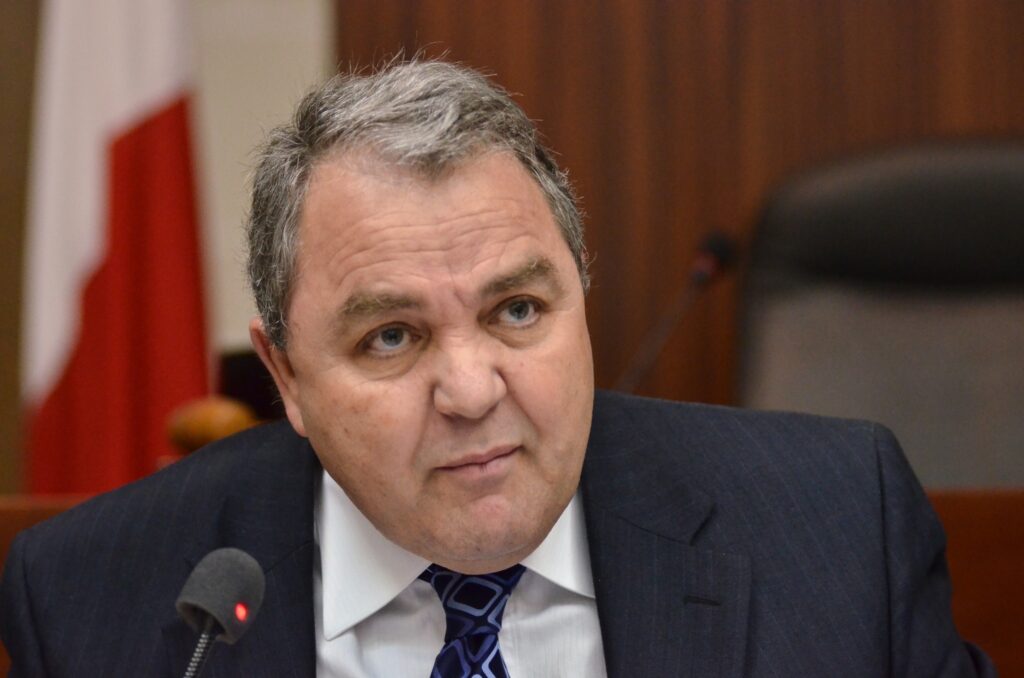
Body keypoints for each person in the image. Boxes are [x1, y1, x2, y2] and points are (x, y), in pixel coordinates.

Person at [0, 59, 994, 677]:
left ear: (579, 295)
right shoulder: (95, 599)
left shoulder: (836, 531)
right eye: (391, 337)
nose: (473, 393)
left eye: (517, 311)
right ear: (287, 378)